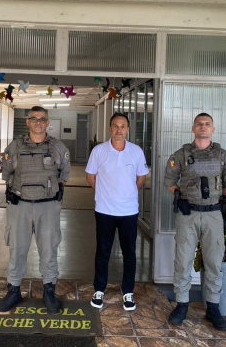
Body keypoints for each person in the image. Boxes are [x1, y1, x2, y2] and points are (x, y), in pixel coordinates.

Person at [164, 113, 226, 331]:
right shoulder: (181, 154)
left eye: (207, 124)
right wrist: (183, 197)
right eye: (199, 124)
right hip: (188, 215)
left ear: (212, 129)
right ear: (193, 128)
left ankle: (213, 307)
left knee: (214, 261)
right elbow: (169, 180)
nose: (203, 127)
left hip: (213, 215)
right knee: (183, 259)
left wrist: (215, 196)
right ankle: (182, 304)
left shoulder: (223, 156)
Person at [0, 106, 70, 313]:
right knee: (17, 249)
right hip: (20, 206)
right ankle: (13, 291)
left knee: (49, 250)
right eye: (34, 119)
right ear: (28, 122)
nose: (38, 122)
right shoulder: (15, 146)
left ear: (47, 123)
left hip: (47, 207)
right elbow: (6, 173)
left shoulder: (58, 147)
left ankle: (49, 291)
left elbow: (64, 175)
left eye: (42, 119)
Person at [85, 112, 148, 311]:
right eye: (115, 126)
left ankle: (128, 291)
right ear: (110, 128)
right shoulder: (99, 151)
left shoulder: (136, 151)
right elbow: (90, 176)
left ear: (127, 129)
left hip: (129, 212)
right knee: (102, 252)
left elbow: (141, 178)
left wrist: (127, 194)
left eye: (122, 126)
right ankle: (99, 290)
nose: (119, 130)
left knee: (129, 252)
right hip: (104, 210)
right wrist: (105, 194)